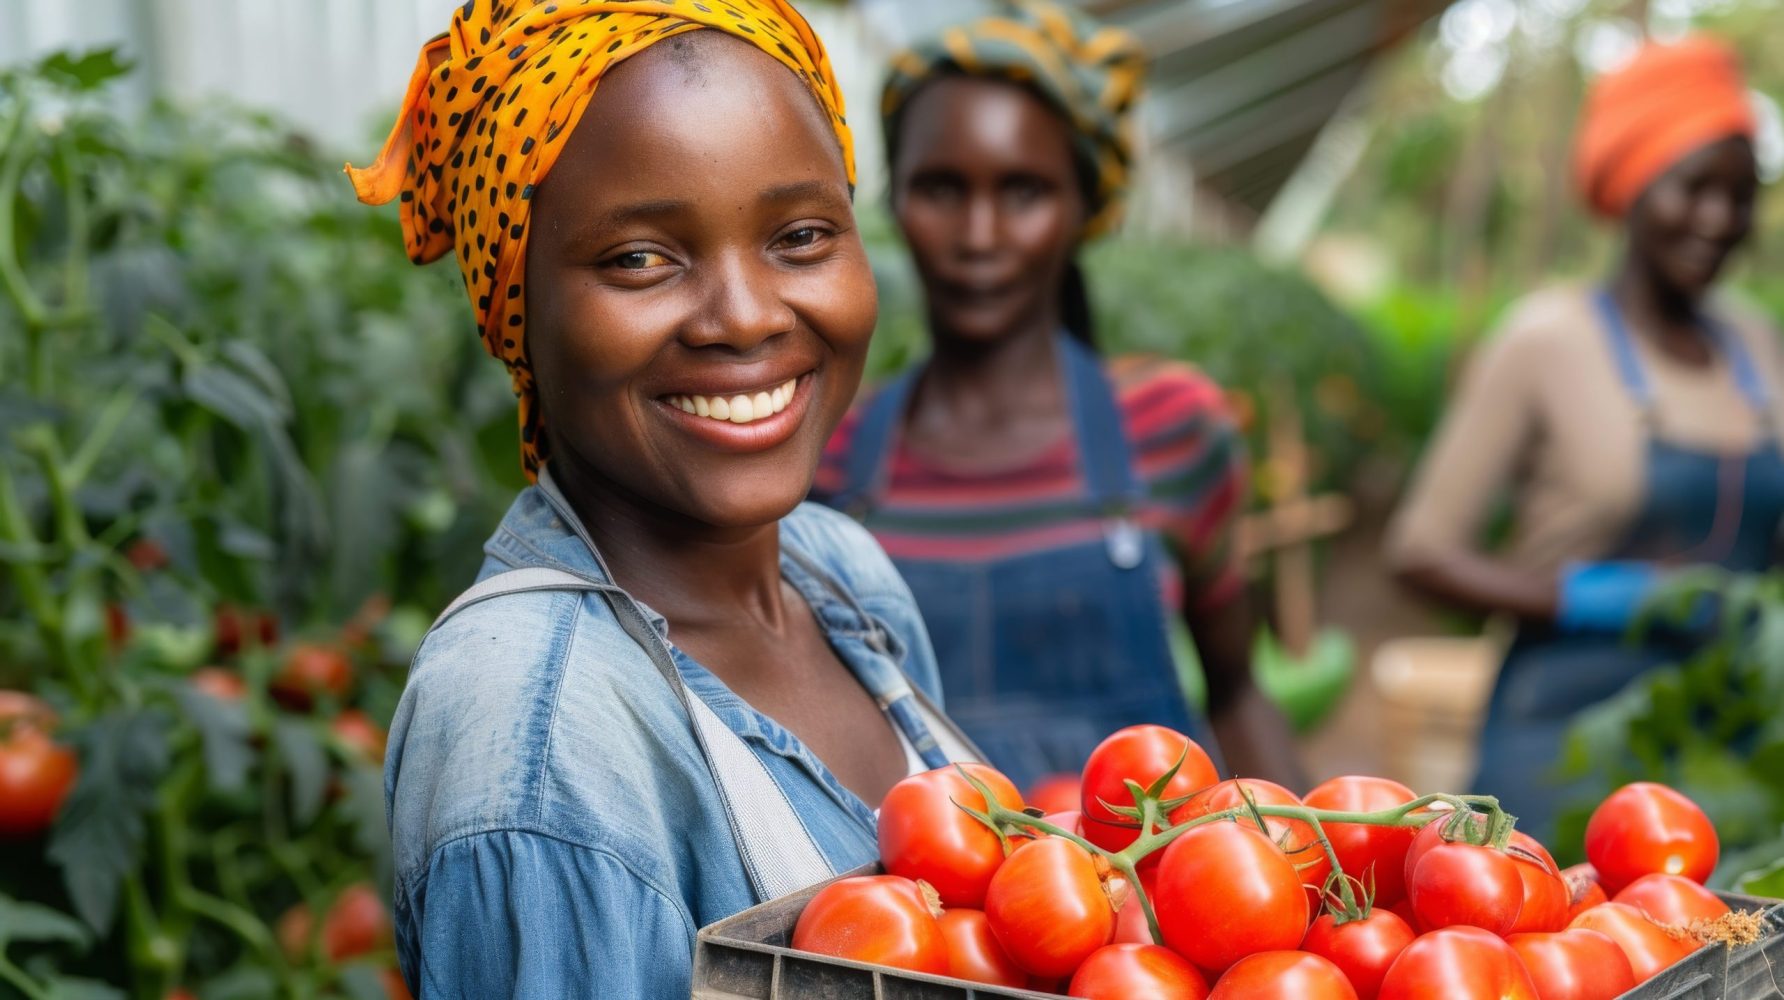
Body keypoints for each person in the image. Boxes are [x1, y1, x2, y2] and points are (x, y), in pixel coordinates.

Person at [347, 2, 980, 995]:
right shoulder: (540, 736)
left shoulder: (841, 576)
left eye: (800, 235)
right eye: (639, 257)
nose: (744, 316)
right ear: (515, 309)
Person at [814, 0, 1304, 791]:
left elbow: (1240, 692)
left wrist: (1318, 871)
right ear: (894, 202)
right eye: (940, 188)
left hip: (1151, 901)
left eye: (1024, 192)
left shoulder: (1173, 431)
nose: (979, 234)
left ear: (1084, 209)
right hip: (918, 903)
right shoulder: (829, 454)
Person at [1388, 36, 1779, 836]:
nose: (1719, 218)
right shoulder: (1547, 341)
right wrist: (1589, 595)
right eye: (1693, 187)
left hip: (1726, 745)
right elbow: (1419, 551)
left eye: (1740, 196)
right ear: (1633, 186)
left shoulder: (1757, 342)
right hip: (1564, 742)